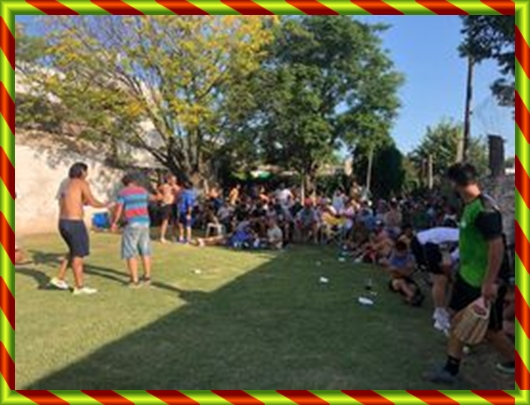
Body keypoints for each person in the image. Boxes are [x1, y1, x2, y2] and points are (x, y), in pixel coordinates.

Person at [426, 163, 515, 383]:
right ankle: (451, 369)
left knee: (491, 332)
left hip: (484, 281)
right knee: (456, 319)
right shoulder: (470, 205)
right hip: (467, 276)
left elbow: (497, 247)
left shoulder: (485, 209)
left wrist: (490, 282)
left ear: (454, 183)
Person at [49, 162, 108, 295]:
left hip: (62, 222)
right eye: (86, 171)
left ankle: (59, 278)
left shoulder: (66, 184)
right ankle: (79, 287)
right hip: (74, 223)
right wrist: (107, 205)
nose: (87, 174)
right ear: (81, 172)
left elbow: (75, 201)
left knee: (73, 251)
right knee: (78, 255)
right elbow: (92, 202)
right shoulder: (81, 183)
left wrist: (82, 202)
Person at [410, 226, 459, 334]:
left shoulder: (461, 237)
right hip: (426, 244)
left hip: (432, 243)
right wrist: (451, 276)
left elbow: (448, 259)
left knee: (444, 279)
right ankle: (439, 315)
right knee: (441, 279)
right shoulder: (465, 242)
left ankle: (441, 309)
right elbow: (447, 263)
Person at [112, 173, 156, 288]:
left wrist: (114, 222)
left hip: (132, 223)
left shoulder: (123, 193)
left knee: (130, 251)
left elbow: (119, 209)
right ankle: (147, 277)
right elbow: (155, 198)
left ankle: (134, 280)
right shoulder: (142, 191)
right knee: (145, 250)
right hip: (145, 222)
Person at [382, 240, 423, 306]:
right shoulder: (393, 256)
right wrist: (402, 270)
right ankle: (413, 297)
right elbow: (392, 272)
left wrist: (397, 269)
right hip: (395, 280)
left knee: (413, 287)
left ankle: (409, 298)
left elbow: (408, 273)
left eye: (400, 252)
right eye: (397, 251)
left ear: (405, 251)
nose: (398, 254)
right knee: (400, 282)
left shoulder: (410, 257)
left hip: (407, 279)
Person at [158, 174, 179, 244]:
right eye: (172, 180)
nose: (174, 182)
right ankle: (162, 236)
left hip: (173, 205)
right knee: (165, 221)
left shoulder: (176, 187)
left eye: (175, 180)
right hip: (166, 205)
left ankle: (173, 236)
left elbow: (180, 194)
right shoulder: (164, 186)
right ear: (169, 180)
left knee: (174, 222)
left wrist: (176, 191)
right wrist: (161, 198)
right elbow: (158, 190)